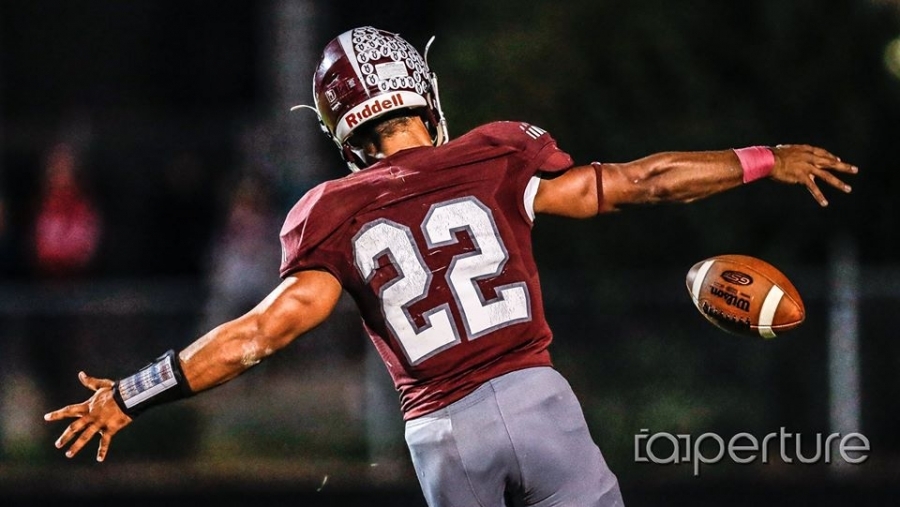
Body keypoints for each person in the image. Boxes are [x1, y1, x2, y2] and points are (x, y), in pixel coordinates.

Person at [44, 26, 856, 507]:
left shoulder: (332, 209)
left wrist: (133, 390)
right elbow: (641, 183)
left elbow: (263, 331)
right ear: (422, 96)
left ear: (343, 130)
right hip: (540, 403)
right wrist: (763, 157)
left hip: (441, 435)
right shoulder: (496, 155)